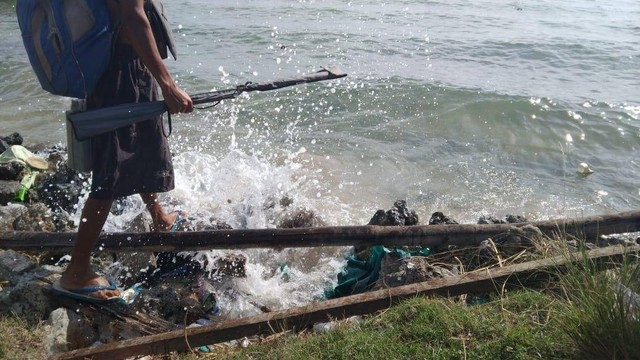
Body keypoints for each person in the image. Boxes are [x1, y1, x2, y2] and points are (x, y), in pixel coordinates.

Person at [57, 0, 193, 302]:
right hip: (118, 72)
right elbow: (132, 17)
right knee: (112, 169)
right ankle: (77, 270)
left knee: (144, 148)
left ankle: (159, 218)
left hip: (127, 65)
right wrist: (167, 84)